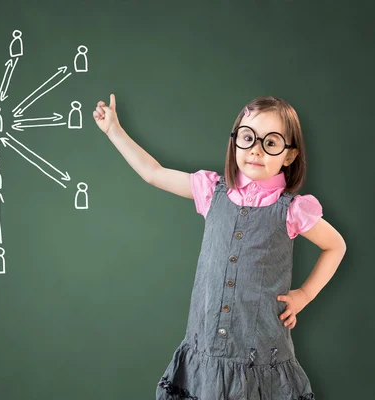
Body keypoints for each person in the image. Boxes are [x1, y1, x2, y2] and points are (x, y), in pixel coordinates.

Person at [93, 94, 346, 399]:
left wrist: (304, 295)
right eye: (248, 137)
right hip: (206, 346)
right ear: (235, 141)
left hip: (260, 353)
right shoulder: (212, 192)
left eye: (271, 142)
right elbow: (154, 173)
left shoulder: (292, 209)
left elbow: (336, 246)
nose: (256, 149)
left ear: (289, 156)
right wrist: (114, 131)